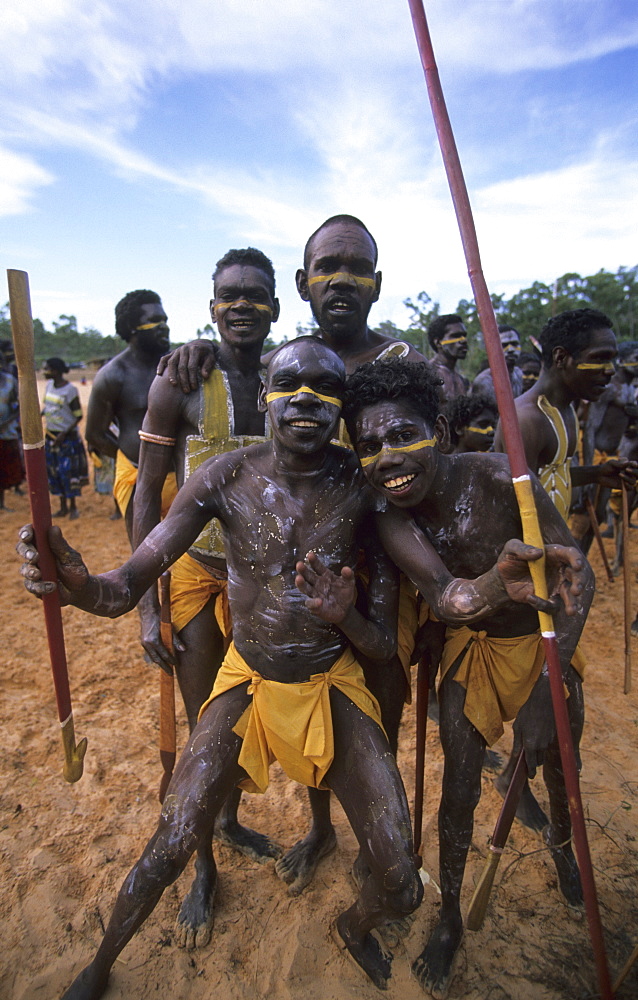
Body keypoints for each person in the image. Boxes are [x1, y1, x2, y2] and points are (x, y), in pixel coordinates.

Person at [18, 338, 586, 998]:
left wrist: (493, 580)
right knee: (171, 841)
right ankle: (100, 964)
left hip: (331, 686)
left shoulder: (362, 487)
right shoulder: (224, 477)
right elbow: (122, 588)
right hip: (247, 683)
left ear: (341, 409)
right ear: (265, 397)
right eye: (290, 385)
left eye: (324, 388)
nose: (306, 399)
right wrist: (74, 582)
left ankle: (355, 925)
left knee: (401, 883)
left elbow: (439, 600)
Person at [343, 356, 594, 999]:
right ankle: (450, 912)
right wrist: (477, 593)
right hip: (471, 651)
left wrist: (549, 682)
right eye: (368, 446)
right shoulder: (392, 516)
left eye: (403, 436)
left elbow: (577, 574)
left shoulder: (504, 480)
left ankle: (562, 849)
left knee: (560, 765)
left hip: (543, 648)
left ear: (444, 434)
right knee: (458, 792)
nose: (387, 458)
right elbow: (449, 595)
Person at [133, 248, 289, 946]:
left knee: (262, 714)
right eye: (229, 295)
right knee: (204, 730)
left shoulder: (297, 377)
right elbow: (146, 493)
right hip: (198, 577)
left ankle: (226, 822)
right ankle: (202, 869)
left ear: (276, 307)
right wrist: (145, 604)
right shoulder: (182, 382)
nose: (242, 305)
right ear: (212, 305)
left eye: (256, 294)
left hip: (276, 584)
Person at [492, 309, 637, 830]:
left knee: (553, 696)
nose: (610, 371)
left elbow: (546, 477)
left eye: (613, 360)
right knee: (546, 697)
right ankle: (520, 781)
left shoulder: (565, 411)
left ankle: (516, 775)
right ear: (561, 359)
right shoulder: (526, 419)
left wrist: (594, 472)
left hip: (552, 574)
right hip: (528, 580)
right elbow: (504, 495)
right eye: (600, 360)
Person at [84, 290, 177, 542]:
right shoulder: (113, 375)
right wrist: (134, 458)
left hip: (182, 479)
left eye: (165, 320)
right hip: (135, 477)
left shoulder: (178, 365)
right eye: (156, 321)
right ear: (132, 328)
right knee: (143, 556)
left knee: (187, 563)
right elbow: (94, 433)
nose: (164, 327)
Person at [581, 338, 638, 540]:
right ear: (622, 360)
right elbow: (590, 429)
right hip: (597, 455)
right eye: (636, 359)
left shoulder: (631, 388)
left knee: (600, 514)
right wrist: (589, 466)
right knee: (587, 517)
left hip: (613, 456)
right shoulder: (607, 388)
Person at [42, 358, 85, 520]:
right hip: (51, 437)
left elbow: (78, 416)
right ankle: (62, 507)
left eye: (47, 369)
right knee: (55, 472)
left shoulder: (70, 390)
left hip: (67, 440)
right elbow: (49, 407)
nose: (44, 371)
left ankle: (73, 507)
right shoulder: (48, 386)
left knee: (68, 472)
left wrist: (64, 433)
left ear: (56, 371)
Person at [472, 325, 523, 403]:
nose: (511, 349)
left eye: (514, 344)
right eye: (504, 345)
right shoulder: (484, 381)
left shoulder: (519, 373)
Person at [427, 314, 469, 402]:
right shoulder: (426, 375)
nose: (463, 340)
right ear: (438, 343)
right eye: (456, 336)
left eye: (464, 335)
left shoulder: (462, 380)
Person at [0, 349, 23, 509]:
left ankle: (2, 503)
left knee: (5, 468)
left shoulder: (9, 382)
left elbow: (18, 406)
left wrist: (6, 422)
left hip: (6, 432)